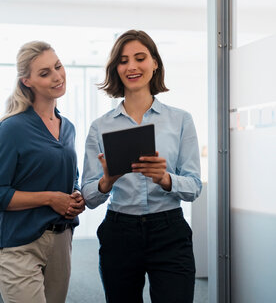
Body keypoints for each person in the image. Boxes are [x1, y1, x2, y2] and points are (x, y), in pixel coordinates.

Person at [81, 30, 202, 303]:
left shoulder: (181, 120)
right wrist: (106, 182)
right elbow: (88, 197)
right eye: (123, 61)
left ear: (155, 63)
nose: (132, 67)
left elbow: (194, 187)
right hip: (119, 232)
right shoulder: (100, 126)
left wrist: (165, 179)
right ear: (116, 68)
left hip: (169, 231)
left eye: (140, 58)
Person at [0, 41, 85, 303]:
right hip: (19, 244)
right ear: (27, 81)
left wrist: (76, 194)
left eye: (58, 67)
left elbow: (71, 177)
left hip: (61, 240)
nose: (57, 76)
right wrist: (50, 198)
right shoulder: (12, 129)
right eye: (45, 73)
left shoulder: (68, 127)